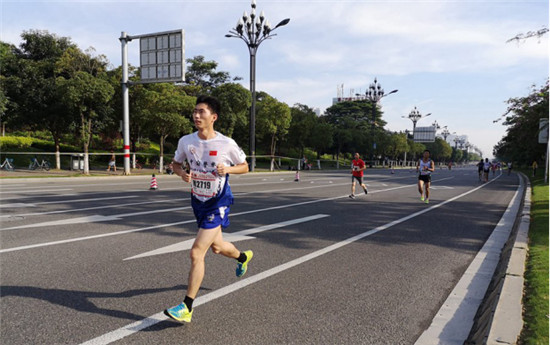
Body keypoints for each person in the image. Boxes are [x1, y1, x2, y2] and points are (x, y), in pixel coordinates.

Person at [164, 95, 252, 323]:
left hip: (218, 202)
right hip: (198, 201)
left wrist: (229, 170)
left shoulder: (226, 143)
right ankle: (242, 257)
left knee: (196, 252)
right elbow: (174, 163)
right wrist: (181, 172)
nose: (196, 115)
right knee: (217, 247)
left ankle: (187, 307)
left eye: (201, 112)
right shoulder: (186, 141)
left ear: (213, 117)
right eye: (194, 111)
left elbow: (245, 167)